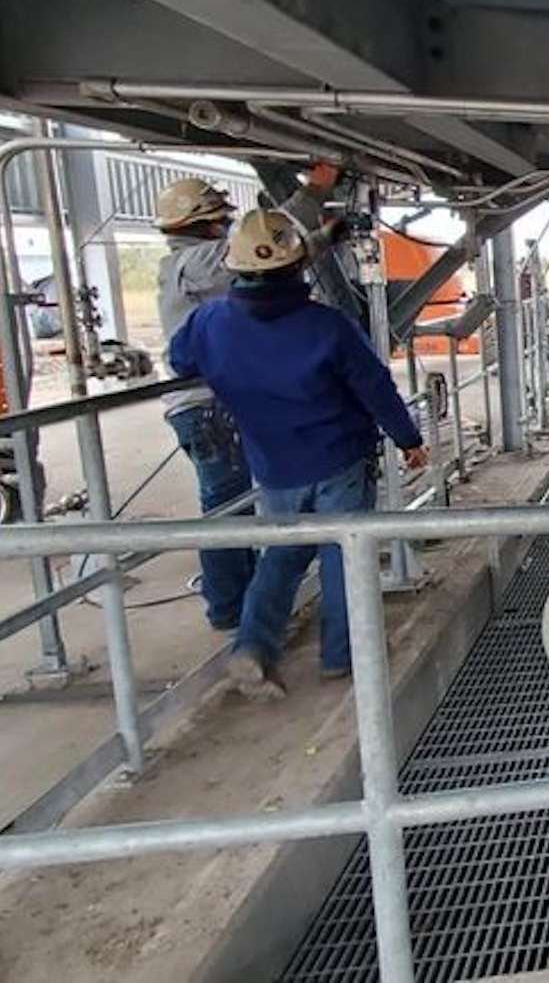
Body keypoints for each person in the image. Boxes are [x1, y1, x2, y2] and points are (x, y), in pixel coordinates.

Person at [169, 209, 427, 699]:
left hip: (274, 463)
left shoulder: (207, 324)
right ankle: (343, 654)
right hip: (340, 459)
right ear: (298, 267)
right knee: (344, 553)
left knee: (281, 556)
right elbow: (376, 388)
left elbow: (179, 360)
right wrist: (408, 439)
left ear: (234, 265)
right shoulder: (328, 327)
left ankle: (252, 646)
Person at [154, 165, 337, 631]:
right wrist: (315, 190)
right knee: (227, 512)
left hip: (215, 406)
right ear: (208, 222)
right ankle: (234, 611)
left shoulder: (188, 265)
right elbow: (269, 241)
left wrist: (319, 239)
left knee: (238, 506)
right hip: (208, 409)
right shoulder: (196, 263)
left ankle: (246, 605)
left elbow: (274, 255)